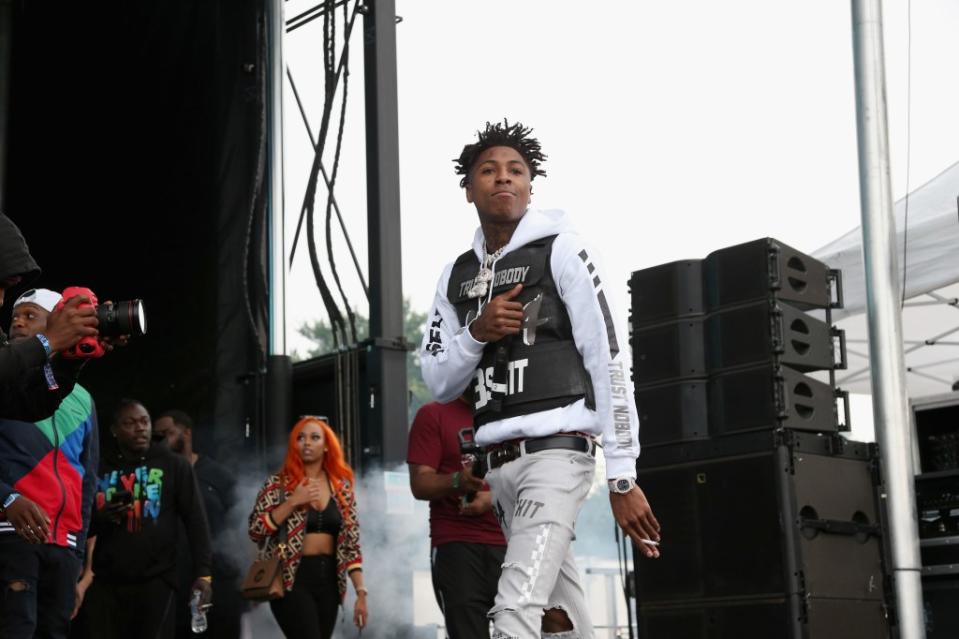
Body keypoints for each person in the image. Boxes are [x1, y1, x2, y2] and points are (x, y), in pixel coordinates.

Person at [420, 120, 661, 638]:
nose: (503, 179)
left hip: (557, 457)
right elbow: (438, 379)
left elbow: (609, 359)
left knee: (513, 611)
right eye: (488, 170)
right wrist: (476, 334)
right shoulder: (455, 274)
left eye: (516, 170)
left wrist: (622, 474)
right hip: (498, 469)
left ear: (531, 185)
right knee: (561, 621)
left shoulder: (563, 249)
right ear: (468, 188)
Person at [0, 288, 100, 639]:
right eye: (15, 315)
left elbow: (88, 479)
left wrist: (77, 551)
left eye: (30, 315)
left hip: (64, 544)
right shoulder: (5, 385)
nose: (17, 321)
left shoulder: (83, 398)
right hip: (10, 535)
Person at [78, 399, 212, 639]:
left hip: (157, 581)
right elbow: (81, 526)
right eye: (129, 423)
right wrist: (102, 516)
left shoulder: (175, 465)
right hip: (107, 583)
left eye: (144, 421)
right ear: (114, 430)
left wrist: (203, 574)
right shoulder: (99, 468)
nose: (140, 428)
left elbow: (196, 522)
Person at [248, 417, 367, 638]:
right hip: (292, 579)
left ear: (326, 446)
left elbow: (351, 546)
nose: (307, 443)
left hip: (330, 582)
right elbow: (256, 529)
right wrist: (293, 501)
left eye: (314, 438)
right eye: (300, 438)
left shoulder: (342, 489)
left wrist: (361, 592)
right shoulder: (277, 484)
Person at [408, 397, 507, 639]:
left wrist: (492, 498)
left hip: (513, 543)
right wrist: (457, 481)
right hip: (457, 544)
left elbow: (535, 474)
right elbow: (419, 483)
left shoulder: (513, 410)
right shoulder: (433, 414)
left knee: (524, 628)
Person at [154, 409, 244, 639]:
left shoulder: (218, 476)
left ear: (187, 433)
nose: (163, 441)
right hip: (172, 581)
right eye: (158, 436)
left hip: (219, 579)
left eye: (168, 433)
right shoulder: (157, 477)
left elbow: (242, 523)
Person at [0, 213, 99, 421]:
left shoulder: (83, 400)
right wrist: (47, 341)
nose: (2, 300)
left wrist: (69, 360)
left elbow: (24, 404)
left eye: (6, 289)